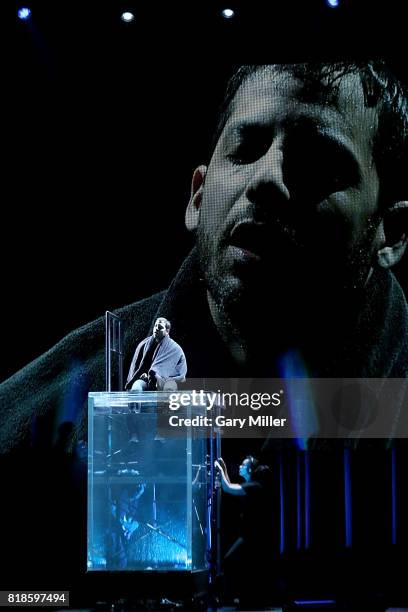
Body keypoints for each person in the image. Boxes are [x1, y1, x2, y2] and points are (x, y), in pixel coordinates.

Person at [0, 60, 407, 589]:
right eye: (246, 149)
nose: (267, 181)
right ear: (198, 195)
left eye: (320, 163)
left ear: (390, 233)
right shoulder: (50, 412)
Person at [215, 456, 274, 607]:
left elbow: (227, 488)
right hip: (249, 534)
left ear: (249, 470)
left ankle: (235, 597)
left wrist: (221, 469)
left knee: (230, 561)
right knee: (240, 565)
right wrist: (224, 469)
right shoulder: (251, 485)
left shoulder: (254, 486)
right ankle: (241, 597)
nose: (240, 466)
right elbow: (229, 485)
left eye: (243, 464)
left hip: (252, 536)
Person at [125, 317, 187, 392]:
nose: (156, 328)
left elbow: (163, 372)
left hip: (169, 381)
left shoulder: (174, 348)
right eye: (155, 326)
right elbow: (138, 367)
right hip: (147, 379)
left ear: (167, 331)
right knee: (136, 387)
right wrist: (145, 376)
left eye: (160, 327)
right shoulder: (144, 344)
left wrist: (153, 376)